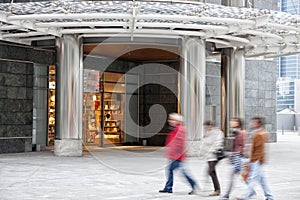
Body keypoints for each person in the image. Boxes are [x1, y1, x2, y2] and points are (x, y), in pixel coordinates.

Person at [159, 113, 199, 195]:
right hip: (175, 155)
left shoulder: (180, 129)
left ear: (177, 120)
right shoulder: (175, 128)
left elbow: (179, 143)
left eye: (172, 119)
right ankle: (168, 187)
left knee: (180, 172)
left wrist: (175, 153)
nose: (170, 121)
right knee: (173, 171)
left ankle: (192, 184)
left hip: (177, 155)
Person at [236, 116, 274, 200]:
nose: (252, 123)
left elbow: (258, 150)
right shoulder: (260, 133)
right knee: (262, 180)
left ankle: (244, 197)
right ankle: (270, 197)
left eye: (254, 122)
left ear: (258, 124)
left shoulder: (259, 135)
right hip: (256, 160)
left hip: (257, 160)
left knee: (252, 179)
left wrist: (253, 160)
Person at [219, 117, 246, 200]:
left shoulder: (241, 133)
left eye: (233, 121)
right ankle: (250, 191)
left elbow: (243, 145)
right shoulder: (237, 132)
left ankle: (227, 194)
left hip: (238, 157)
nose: (231, 122)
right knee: (241, 176)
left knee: (234, 176)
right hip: (236, 156)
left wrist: (237, 155)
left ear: (238, 123)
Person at [201, 120, 224, 196]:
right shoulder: (208, 133)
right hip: (209, 155)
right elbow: (205, 143)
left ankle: (217, 190)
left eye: (207, 126)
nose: (206, 128)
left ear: (210, 126)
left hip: (214, 155)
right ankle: (216, 189)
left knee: (211, 171)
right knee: (210, 171)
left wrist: (213, 150)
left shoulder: (218, 132)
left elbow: (218, 142)